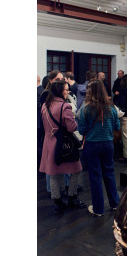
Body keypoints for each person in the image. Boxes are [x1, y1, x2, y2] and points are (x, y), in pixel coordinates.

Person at [39, 80, 86, 214]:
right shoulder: (65, 106)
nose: (68, 91)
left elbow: (44, 126)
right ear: (60, 91)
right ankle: (72, 197)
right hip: (65, 144)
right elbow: (72, 127)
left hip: (49, 143)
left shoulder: (45, 105)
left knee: (54, 174)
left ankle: (58, 202)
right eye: (66, 89)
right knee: (76, 170)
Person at [79, 80, 120, 216]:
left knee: (95, 177)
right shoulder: (112, 108)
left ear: (90, 92)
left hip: (92, 144)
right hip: (108, 144)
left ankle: (98, 209)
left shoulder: (86, 108)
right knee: (109, 173)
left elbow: (81, 129)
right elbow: (117, 127)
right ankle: (115, 204)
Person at [37, 75, 44, 167]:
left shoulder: (38, 91)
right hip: (40, 122)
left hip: (39, 122)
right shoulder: (41, 90)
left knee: (38, 144)